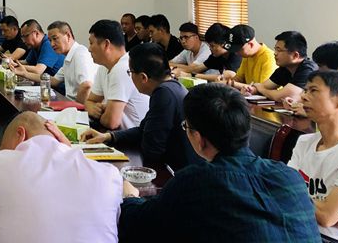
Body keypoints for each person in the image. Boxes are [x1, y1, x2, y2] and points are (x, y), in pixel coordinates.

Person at [118, 83, 320, 243]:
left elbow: (136, 225)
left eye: (186, 127)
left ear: (198, 138)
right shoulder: (289, 176)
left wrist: (130, 196)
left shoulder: (196, 180)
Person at [0, 112, 121, 243]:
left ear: (20, 135)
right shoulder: (109, 174)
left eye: (4, 149)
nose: (3, 153)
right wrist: (70, 152)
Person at [82, 43, 200, 171]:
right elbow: (142, 130)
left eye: (130, 72)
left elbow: (152, 149)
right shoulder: (172, 87)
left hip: (178, 172)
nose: (130, 76)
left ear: (143, 77)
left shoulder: (164, 94)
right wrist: (108, 137)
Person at [289, 71, 338, 243]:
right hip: (300, 228)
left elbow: (326, 217)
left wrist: (328, 212)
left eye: (313, 90)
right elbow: (283, 188)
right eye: (305, 90)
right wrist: (329, 211)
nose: (303, 96)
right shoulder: (304, 142)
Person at [84, 20, 149, 130]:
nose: (89, 49)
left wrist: (101, 112)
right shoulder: (104, 67)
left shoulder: (123, 68)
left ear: (106, 44)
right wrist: (91, 108)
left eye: (91, 43)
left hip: (134, 137)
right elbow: (90, 101)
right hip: (117, 134)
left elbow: (111, 122)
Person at [13, 21, 96, 102]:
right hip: (68, 101)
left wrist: (76, 108)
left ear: (68, 35)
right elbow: (54, 81)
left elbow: (86, 85)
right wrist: (25, 74)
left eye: (55, 38)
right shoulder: (68, 57)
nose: (52, 44)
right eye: (50, 40)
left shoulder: (80, 53)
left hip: (76, 105)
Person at [241, 31, 316, 102]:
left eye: (279, 50)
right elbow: (264, 86)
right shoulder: (284, 68)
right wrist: (251, 90)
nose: (275, 53)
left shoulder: (308, 70)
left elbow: (283, 97)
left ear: (295, 55)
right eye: (275, 49)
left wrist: (261, 89)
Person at [174, 22, 242, 81]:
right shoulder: (215, 56)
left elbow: (227, 76)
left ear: (224, 44)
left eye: (212, 46)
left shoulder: (236, 54)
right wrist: (177, 71)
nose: (210, 48)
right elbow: (198, 68)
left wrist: (193, 76)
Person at [223, 25, 278, 91]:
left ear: (251, 45)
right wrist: (226, 81)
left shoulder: (269, 58)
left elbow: (263, 89)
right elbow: (239, 78)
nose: (236, 53)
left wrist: (232, 83)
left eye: (238, 49)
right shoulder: (247, 56)